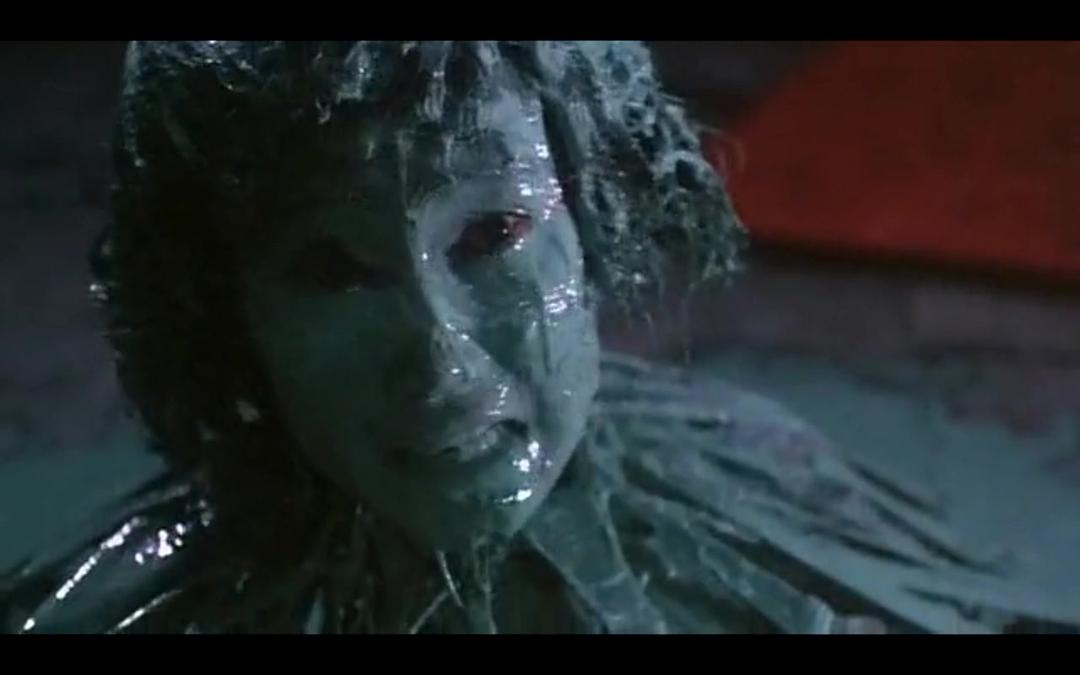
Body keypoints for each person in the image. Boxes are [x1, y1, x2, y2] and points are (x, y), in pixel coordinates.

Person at [0, 41, 1063, 633]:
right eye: (332, 271)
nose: (441, 363)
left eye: (493, 235)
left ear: (596, 216)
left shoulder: (788, 508)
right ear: (223, 307)